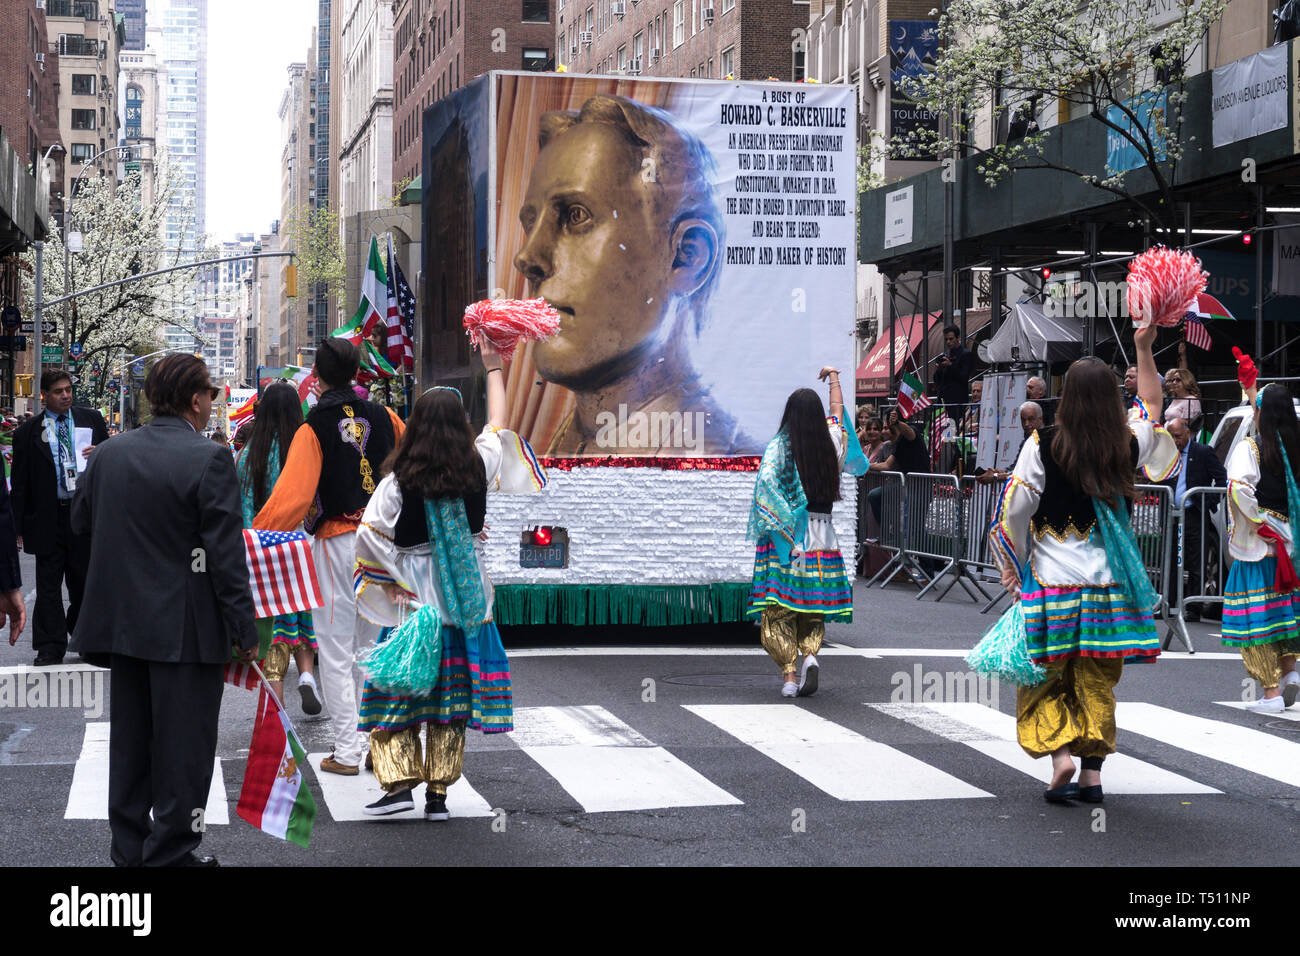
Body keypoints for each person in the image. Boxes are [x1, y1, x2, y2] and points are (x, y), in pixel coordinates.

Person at [71, 354, 259, 866]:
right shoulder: (209, 459)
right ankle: (171, 853)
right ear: (196, 400)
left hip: (123, 624)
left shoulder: (108, 455)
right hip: (186, 629)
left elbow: (81, 524)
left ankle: (130, 850)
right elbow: (225, 557)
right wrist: (245, 629)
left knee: (129, 747)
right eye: (209, 398)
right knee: (184, 752)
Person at [353, 338, 547, 819]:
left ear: (414, 429)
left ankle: (398, 787)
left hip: (415, 604)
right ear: (460, 429)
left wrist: (392, 580)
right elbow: (498, 426)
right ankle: (438, 796)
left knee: (395, 692)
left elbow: (370, 537)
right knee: (450, 702)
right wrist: (493, 367)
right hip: (464, 602)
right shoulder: (476, 467)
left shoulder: (398, 483)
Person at [990, 324, 1177, 803]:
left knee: (1044, 676)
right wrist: (1142, 345)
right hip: (1106, 587)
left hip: (1053, 585)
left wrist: (1012, 564)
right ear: (1113, 397)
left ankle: (1061, 759)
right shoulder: (1126, 442)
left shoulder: (1042, 444)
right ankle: (1093, 777)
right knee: (1097, 678)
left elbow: (1015, 510)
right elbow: (1154, 406)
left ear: (1065, 395)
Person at [513, 94, 754, 456]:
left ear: (687, 258)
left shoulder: (716, 454)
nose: (528, 256)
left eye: (576, 215)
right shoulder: (559, 446)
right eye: (531, 223)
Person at [254, 338, 405, 775]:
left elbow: (292, 499)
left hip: (339, 542)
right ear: (358, 373)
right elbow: (413, 472)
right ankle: (379, 748)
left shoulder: (313, 426)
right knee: (371, 648)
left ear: (315, 377)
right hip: (384, 543)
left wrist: (251, 540)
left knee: (336, 652)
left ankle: (347, 752)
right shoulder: (387, 417)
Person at [747, 366, 865, 698]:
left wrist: (781, 524)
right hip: (824, 537)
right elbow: (838, 413)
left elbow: (767, 486)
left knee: (778, 609)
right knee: (812, 605)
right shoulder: (831, 441)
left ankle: (788, 675)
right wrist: (834, 379)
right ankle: (810, 655)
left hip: (792, 538)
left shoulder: (780, 448)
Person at [10, 369, 108, 665]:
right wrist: (17, 526)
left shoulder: (91, 420)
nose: (65, 395)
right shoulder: (27, 433)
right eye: (58, 391)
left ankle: (88, 639)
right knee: (48, 585)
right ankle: (50, 644)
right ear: (44, 396)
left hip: (83, 515)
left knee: (84, 580)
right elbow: (21, 481)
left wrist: (102, 451)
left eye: (68, 390)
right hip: (47, 516)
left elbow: (112, 462)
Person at [235, 382, 321, 713]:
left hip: (259, 548)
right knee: (300, 612)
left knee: (273, 623)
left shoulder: (247, 455)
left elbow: (240, 507)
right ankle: (307, 676)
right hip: (297, 545)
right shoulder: (302, 451)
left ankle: (276, 700)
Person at [1221, 379, 1300, 713]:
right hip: (1291, 544)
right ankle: (1291, 673)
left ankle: (1270, 694)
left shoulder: (1251, 448)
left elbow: (1239, 488)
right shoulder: (1295, 449)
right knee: (1284, 614)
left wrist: (1254, 522)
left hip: (1260, 544)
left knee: (1256, 619)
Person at [1163, 417, 1227, 622]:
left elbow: (1221, 477)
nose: (1175, 441)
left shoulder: (1202, 452)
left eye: (1178, 436)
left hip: (1193, 513)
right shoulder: (1167, 454)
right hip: (1171, 512)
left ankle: (1194, 606)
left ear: (1188, 433)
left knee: (1196, 559)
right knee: (1169, 558)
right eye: (1171, 437)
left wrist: (1208, 502)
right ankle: (1169, 602)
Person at [933, 325, 974, 408]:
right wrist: (939, 369)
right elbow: (937, 380)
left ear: (958, 338)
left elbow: (964, 377)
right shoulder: (946, 355)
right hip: (944, 400)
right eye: (946, 339)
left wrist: (951, 365)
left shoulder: (965, 354)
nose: (948, 342)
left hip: (957, 400)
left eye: (951, 339)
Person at [1164, 369, 1203, 434]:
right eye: (1173, 380)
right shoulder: (1175, 399)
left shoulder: (1191, 400)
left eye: (1178, 380)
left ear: (1186, 381)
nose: (1174, 382)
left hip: (1179, 438)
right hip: (1167, 435)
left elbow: (1185, 425)